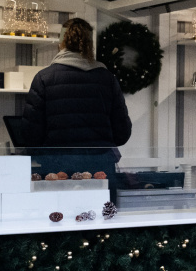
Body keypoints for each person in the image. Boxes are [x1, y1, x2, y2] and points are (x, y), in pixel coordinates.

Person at [22, 18, 131, 187]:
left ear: (61, 42)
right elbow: (122, 133)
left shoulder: (44, 78)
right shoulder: (107, 79)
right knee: (101, 212)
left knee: (60, 213)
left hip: (58, 170)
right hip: (100, 169)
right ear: (90, 44)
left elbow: (30, 135)